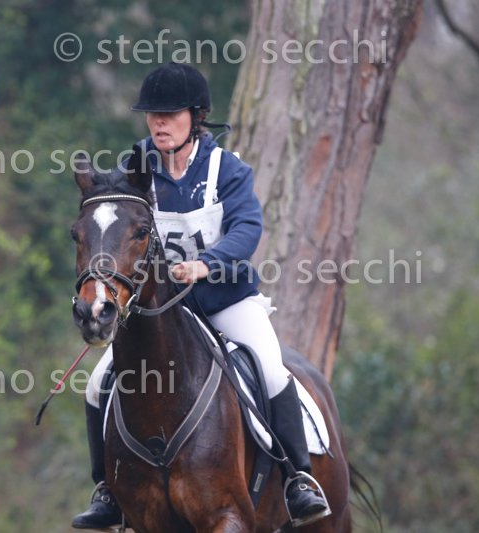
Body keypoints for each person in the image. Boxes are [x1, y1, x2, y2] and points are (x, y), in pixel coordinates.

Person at [72, 62, 330, 530]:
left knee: (271, 369)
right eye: (153, 115)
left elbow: (247, 227)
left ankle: (298, 479)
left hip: (224, 302)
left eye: (170, 114)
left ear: (196, 117)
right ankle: (108, 490)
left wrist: (207, 264)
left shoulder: (226, 170)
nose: (159, 123)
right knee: (97, 385)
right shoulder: (136, 169)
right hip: (160, 312)